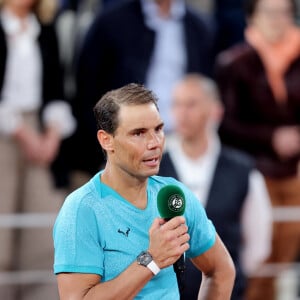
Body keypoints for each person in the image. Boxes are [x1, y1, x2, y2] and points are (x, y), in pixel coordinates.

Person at [53, 83, 236, 299]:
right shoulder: (81, 209)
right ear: (106, 140)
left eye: (158, 129)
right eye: (139, 133)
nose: (154, 143)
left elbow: (221, 270)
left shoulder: (174, 195)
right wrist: (152, 259)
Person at [67, 0, 216, 187]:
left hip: (184, 144)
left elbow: (207, 89)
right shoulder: (111, 22)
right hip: (126, 142)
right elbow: (86, 91)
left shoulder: (199, 27)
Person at [158, 73, 272, 300]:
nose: (182, 113)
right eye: (176, 104)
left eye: (191, 104)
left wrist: (226, 276)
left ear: (215, 110)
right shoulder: (154, 169)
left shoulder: (243, 170)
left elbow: (258, 245)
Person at [215, 0, 300, 299]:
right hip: (253, 173)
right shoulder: (234, 62)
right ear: (252, 17)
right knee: (256, 257)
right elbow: (225, 124)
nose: (278, 20)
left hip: (293, 173)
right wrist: (272, 137)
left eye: (284, 12)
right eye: (270, 12)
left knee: (282, 259)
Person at [0, 0, 76, 299]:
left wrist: (52, 134)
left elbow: (57, 87)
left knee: (44, 218)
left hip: (40, 128)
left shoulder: (45, 28)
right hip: (5, 131)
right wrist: (21, 132)